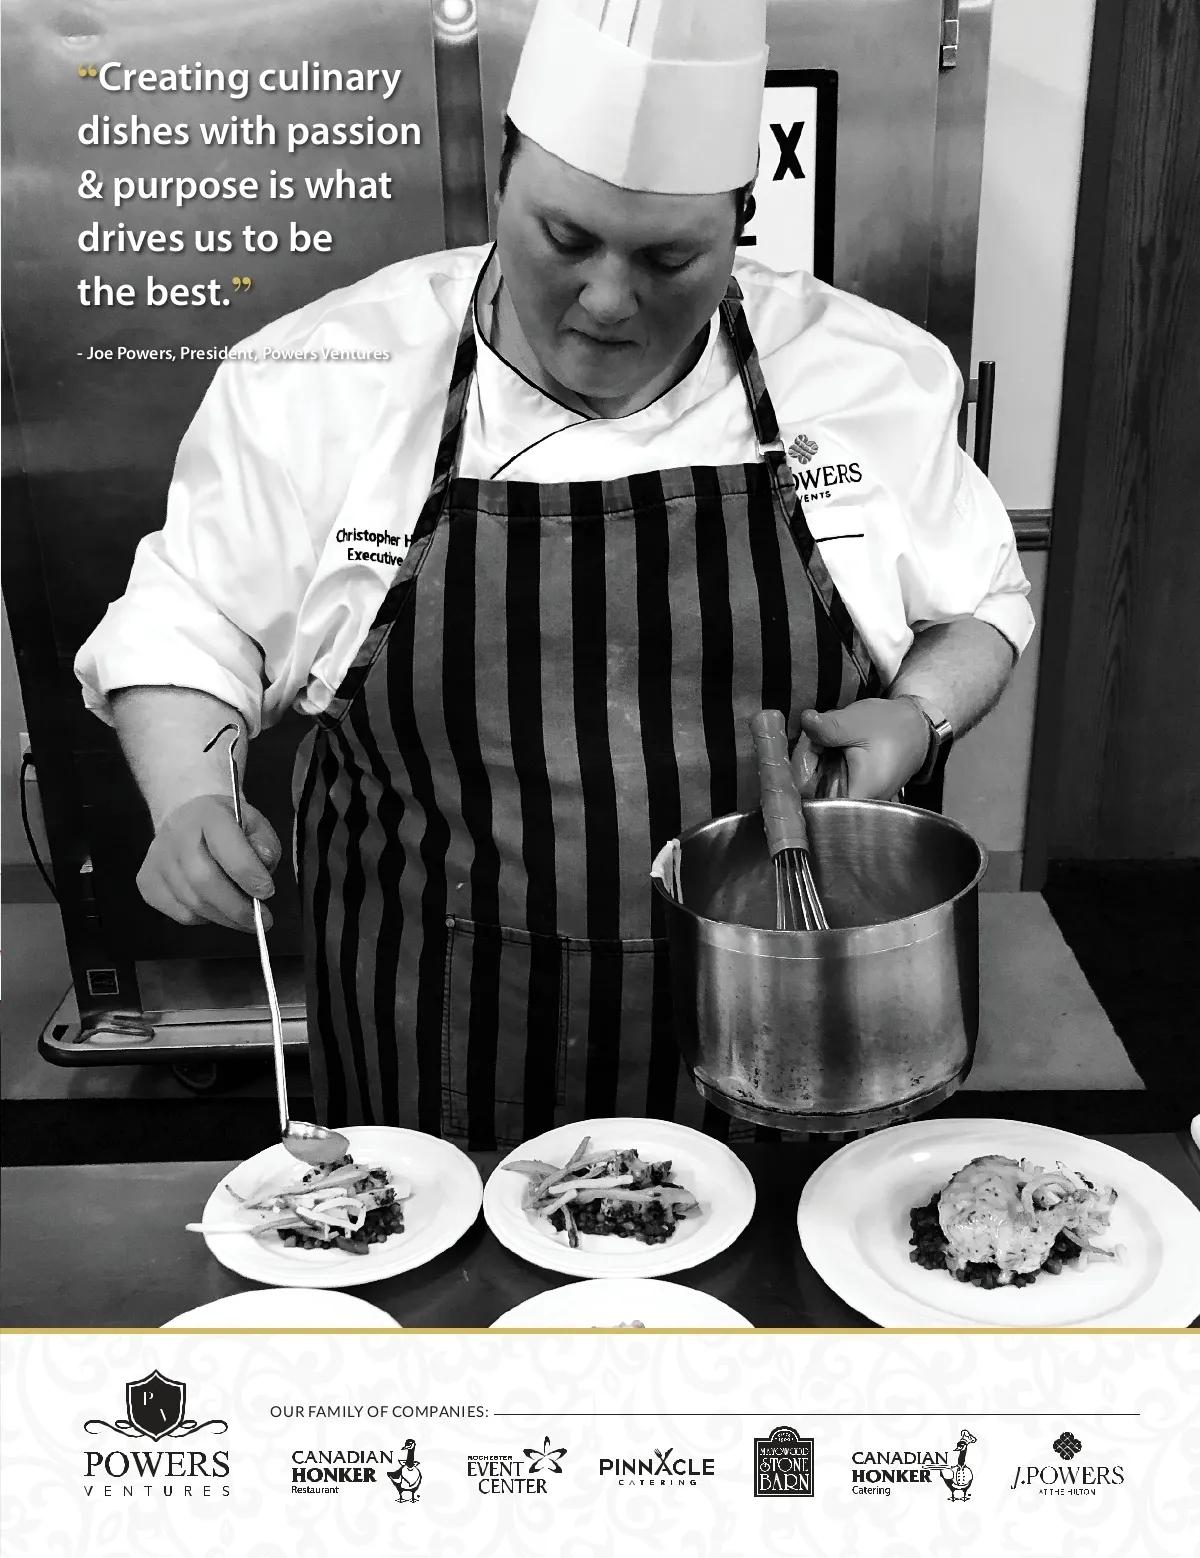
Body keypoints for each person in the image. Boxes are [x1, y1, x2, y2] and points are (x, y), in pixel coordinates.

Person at [75, 0, 1032, 1149]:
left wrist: (920, 714)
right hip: (434, 1030)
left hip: (792, 1021)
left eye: (669, 258)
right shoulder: (326, 378)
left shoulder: (865, 376)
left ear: (741, 220)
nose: (609, 299)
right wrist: (190, 797)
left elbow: (979, 607)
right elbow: (192, 627)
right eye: (565, 240)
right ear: (500, 185)